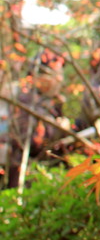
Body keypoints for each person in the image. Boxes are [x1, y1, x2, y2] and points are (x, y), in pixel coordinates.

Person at [2, 50, 70, 189]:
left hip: (45, 170)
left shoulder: (52, 101)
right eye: (54, 75)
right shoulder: (26, 101)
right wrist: (57, 130)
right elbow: (28, 142)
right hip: (24, 173)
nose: (59, 80)